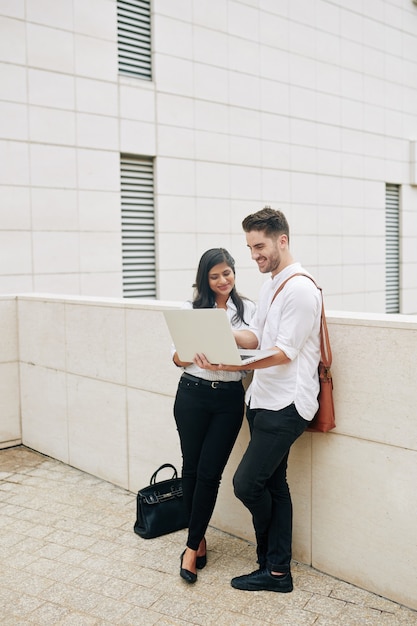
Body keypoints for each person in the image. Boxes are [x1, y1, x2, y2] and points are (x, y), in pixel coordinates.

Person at [195, 207, 321, 593]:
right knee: (275, 486)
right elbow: (257, 338)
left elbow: (284, 351)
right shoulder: (271, 286)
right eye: (250, 248)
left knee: (247, 484)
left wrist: (229, 362)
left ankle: (269, 555)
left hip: (287, 405)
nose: (254, 256)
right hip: (264, 400)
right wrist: (218, 331)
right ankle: (277, 570)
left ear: (282, 240)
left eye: (260, 246)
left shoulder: (300, 289)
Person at [172, 247, 256, 584]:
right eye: (215, 275)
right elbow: (177, 357)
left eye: (227, 273)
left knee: (210, 474)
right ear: (205, 279)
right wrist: (192, 349)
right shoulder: (190, 309)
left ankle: (190, 548)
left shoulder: (246, 308)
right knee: (190, 469)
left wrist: (223, 331)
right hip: (191, 393)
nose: (223, 280)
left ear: (234, 273)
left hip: (228, 399)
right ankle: (198, 539)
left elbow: (255, 339)